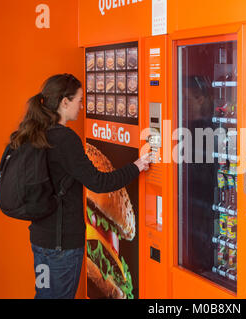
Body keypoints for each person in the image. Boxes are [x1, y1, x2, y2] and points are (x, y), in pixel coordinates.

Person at [9, 73, 152, 299]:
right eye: (79, 100)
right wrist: (137, 166)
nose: (82, 106)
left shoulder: (33, 132)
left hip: (41, 240)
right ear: (64, 102)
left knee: (44, 295)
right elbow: (99, 182)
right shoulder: (65, 139)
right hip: (62, 246)